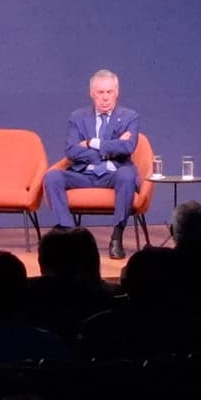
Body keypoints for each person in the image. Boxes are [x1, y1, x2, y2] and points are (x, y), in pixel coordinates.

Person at [42, 69, 139, 260]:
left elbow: (127, 147)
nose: (105, 98)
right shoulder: (77, 117)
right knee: (52, 177)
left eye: (109, 92)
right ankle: (68, 235)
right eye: (100, 92)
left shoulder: (130, 117)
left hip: (113, 175)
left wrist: (91, 143)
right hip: (84, 174)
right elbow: (71, 150)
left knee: (127, 175)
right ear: (92, 94)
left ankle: (116, 237)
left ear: (117, 93)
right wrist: (110, 148)